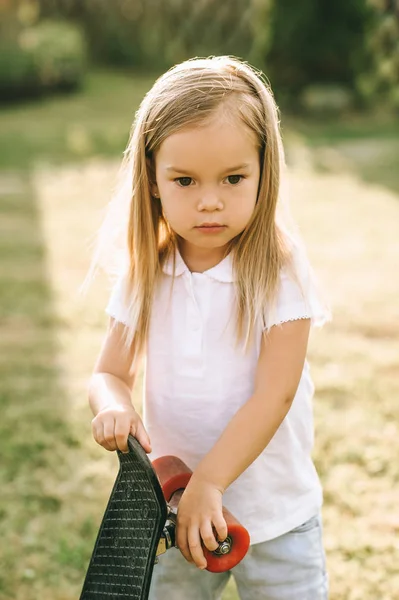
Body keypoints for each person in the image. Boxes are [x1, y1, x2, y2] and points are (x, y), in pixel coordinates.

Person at [87, 56, 331, 599]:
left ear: (264, 171)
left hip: (274, 515)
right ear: (152, 178)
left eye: (234, 177)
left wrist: (213, 482)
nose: (210, 200)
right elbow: (109, 372)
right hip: (176, 509)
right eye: (185, 180)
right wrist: (114, 404)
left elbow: (276, 393)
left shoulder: (280, 269)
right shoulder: (146, 268)